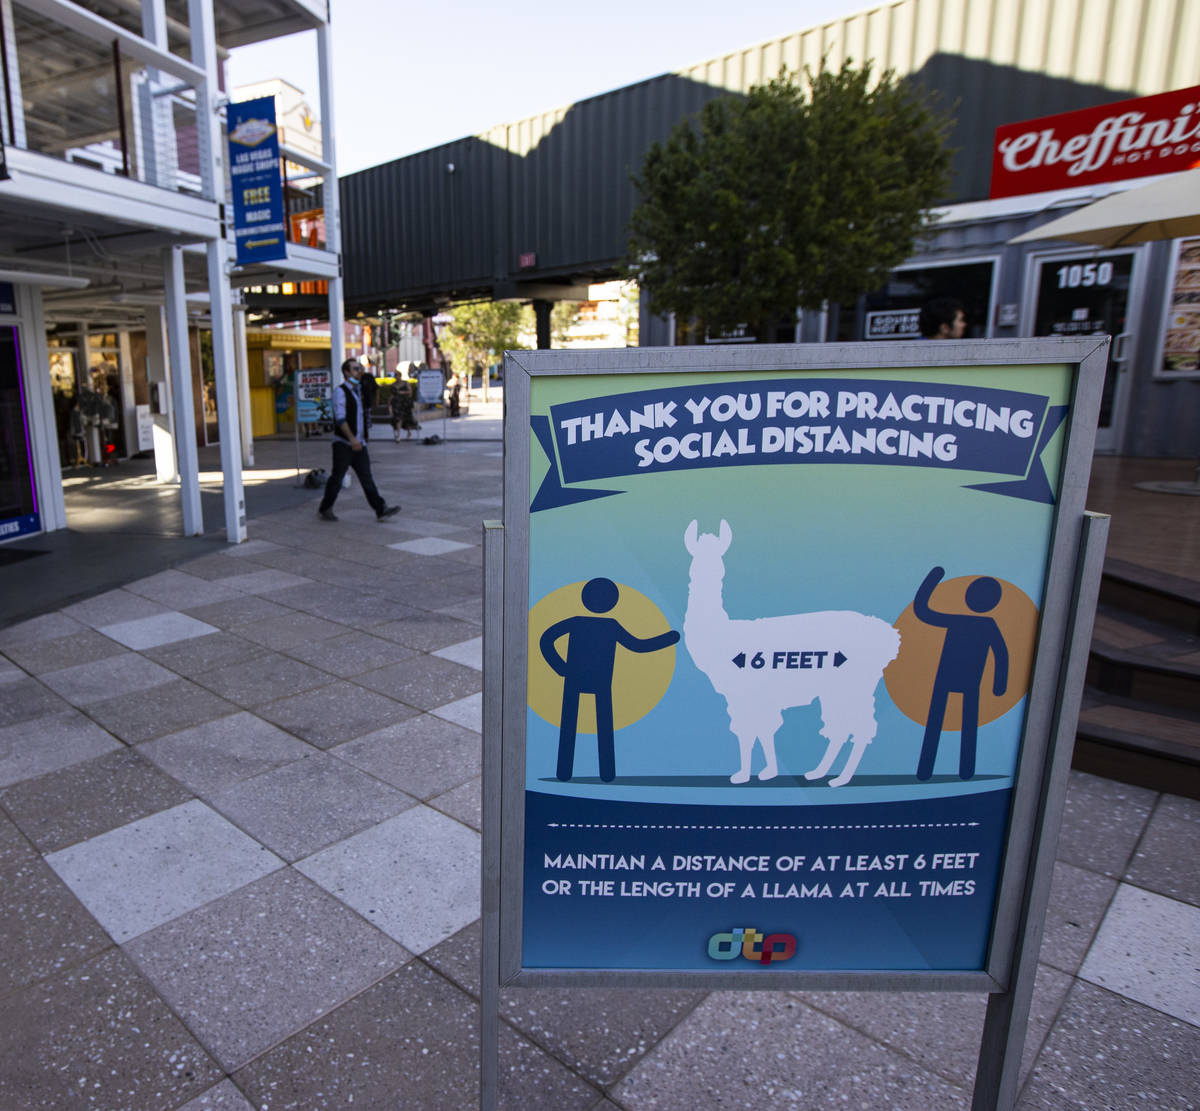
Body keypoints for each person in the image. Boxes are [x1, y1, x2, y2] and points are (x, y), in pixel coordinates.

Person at [317, 357, 401, 522]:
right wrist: (351, 438)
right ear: (346, 373)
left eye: (360, 368)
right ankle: (325, 507)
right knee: (337, 478)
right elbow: (340, 419)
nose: (359, 371)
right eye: (356, 369)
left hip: (359, 444)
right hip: (344, 444)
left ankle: (380, 509)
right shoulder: (340, 392)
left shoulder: (360, 391)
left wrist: (360, 439)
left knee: (367, 478)